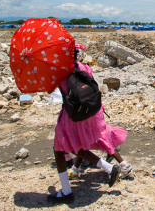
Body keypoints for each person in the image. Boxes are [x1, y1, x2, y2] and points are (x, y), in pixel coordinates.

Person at [48, 44, 131, 204]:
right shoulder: (84, 67)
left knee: (60, 148)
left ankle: (66, 191)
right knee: (79, 146)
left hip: (71, 116)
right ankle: (108, 167)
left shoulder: (61, 73)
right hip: (90, 114)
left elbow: (53, 90)